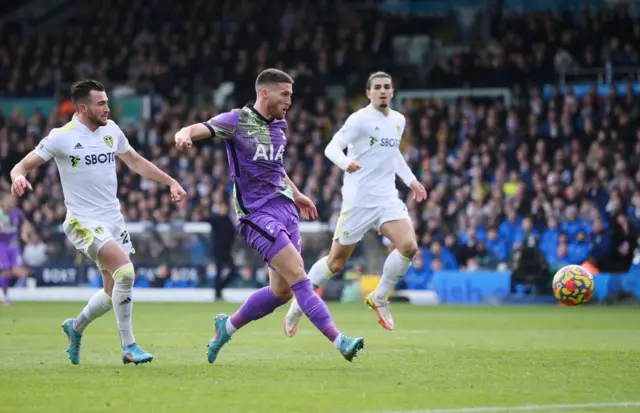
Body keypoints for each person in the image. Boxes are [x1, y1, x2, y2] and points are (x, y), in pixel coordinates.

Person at [174, 68, 365, 364]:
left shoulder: (281, 125)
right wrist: (184, 134)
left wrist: (297, 192)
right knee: (300, 276)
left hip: (286, 209)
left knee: (282, 291)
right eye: (285, 94)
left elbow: (276, 166)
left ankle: (225, 327)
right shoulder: (237, 120)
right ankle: (340, 340)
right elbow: (198, 128)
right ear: (265, 93)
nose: (289, 101)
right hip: (256, 214)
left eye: (291, 94)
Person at [10, 80, 187, 365]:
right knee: (126, 273)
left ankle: (75, 327)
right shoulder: (61, 137)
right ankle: (129, 347)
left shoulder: (112, 130)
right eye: (101, 103)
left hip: (112, 219)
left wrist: (170, 181)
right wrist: (18, 177)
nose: (108, 108)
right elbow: (21, 166)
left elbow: (136, 162)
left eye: (107, 102)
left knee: (111, 291)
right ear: (83, 107)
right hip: (82, 221)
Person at [283, 72, 427, 335]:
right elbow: (332, 148)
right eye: (377, 88)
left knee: (408, 246)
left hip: (386, 199)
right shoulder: (359, 120)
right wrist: (345, 163)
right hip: (359, 201)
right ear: (369, 93)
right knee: (335, 264)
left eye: (387, 87)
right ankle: (299, 303)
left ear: (392, 92)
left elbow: (393, 153)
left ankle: (380, 297)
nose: (383, 91)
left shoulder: (398, 120)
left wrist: (412, 181)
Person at [0, 195, 28, 306]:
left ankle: (6, 288)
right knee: (6, 270)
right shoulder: (1, 213)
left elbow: (25, 223)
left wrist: (24, 233)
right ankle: (6, 295)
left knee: (18, 271)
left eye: (12, 200)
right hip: (2, 246)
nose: (10, 202)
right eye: (8, 200)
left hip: (14, 246)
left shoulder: (17, 213)